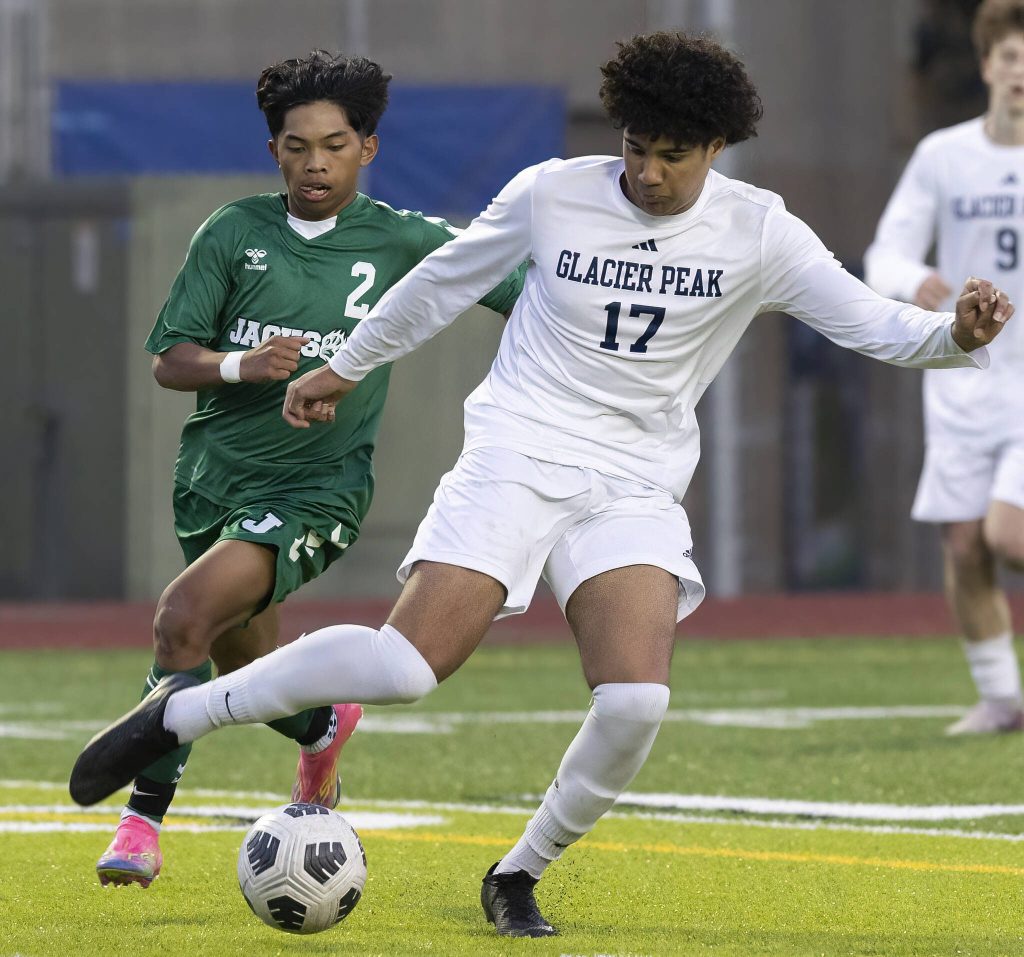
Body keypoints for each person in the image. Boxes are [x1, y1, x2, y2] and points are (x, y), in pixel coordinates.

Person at [72, 31, 1011, 936]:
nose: (647, 174)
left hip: (635, 480)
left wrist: (954, 336)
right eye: (636, 150)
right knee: (404, 671)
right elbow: (440, 282)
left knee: (636, 701)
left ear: (716, 149)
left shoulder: (759, 230)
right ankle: (181, 711)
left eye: (673, 157)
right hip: (518, 451)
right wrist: (346, 364)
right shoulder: (551, 194)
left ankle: (517, 871)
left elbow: (871, 324)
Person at [93, 50, 525, 889]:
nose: (315, 162)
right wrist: (240, 367)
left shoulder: (406, 240)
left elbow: (523, 288)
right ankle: (323, 725)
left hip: (315, 491)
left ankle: (140, 821)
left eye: (334, 143)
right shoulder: (230, 231)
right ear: (275, 153)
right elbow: (169, 361)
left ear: (368, 149)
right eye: (297, 146)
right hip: (212, 480)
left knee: (181, 617)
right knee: (240, 671)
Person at [865, 0, 1024, 736]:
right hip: (964, 378)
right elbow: (886, 252)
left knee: (1008, 536)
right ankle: (1002, 700)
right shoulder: (943, 156)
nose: (1021, 74)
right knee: (962, 543)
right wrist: (913, 281)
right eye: (1011, 59)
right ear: (988, 64)